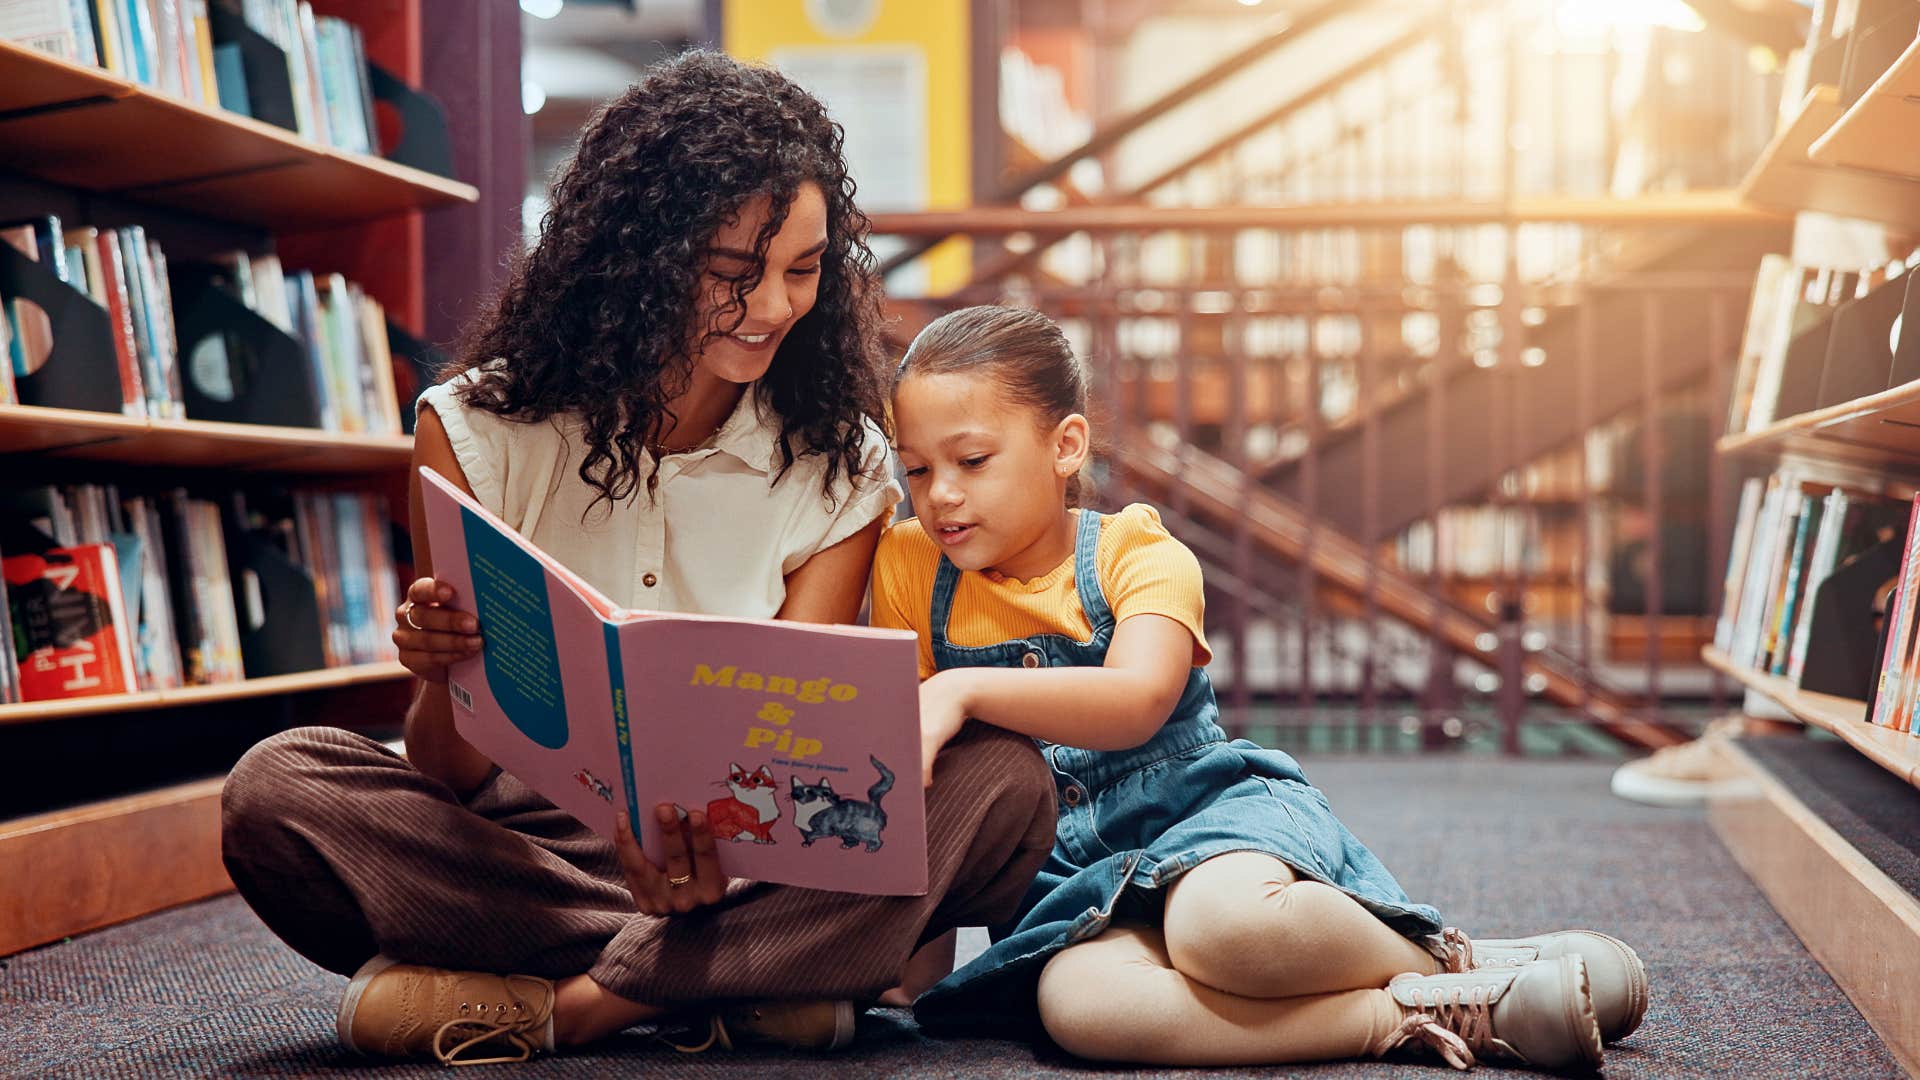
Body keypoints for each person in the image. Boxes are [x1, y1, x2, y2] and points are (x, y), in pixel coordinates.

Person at [218, 54, 1056, 1066]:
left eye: (804, 268)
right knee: (279, 791)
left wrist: (723, 860)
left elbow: (800, 763)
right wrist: (439, 675)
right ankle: (756, 980)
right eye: (730, 271)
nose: (777, 306)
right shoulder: (480, 428)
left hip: (751, 855)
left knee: (1004, 783)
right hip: (531, 844)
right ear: (640, 253)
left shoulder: (840, 459)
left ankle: (567, 1007)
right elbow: (448, 767)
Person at [870, 305, 1650, 1072]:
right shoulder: (908, 564)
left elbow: (1135, 699)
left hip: (1202, 819)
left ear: (1066, 445)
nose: (939, 494)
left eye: (971, 462)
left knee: (1225, 932)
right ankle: (1420, 1013)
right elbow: (921, 784)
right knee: (1081, 1009)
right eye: (917, 469)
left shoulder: (1136, 549)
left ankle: (1449, 955)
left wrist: (963, 689)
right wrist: (912, 957)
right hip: (1065, 887)